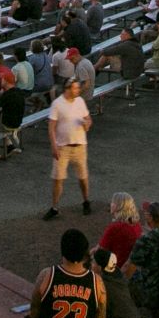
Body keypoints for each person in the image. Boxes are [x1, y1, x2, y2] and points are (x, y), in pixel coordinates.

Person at [44, 77, 93, 219]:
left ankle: (85, 201)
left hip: (80, 146)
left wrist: (87, 124)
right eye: (76, 88)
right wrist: (54, 146)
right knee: (58, 178)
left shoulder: (80, 101)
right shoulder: (57, 104)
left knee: (83, 177)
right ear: (68, 89)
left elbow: (88, 119)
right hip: (63, 147)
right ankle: (54, 207)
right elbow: (51, 127)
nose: (78, 90)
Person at [98, 192, 143, 266]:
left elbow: (100, 250)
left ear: (119, 206)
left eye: (113, 202)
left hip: (115, 266)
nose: (111, 204)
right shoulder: (136, 224)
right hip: (130, 266)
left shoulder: (115, 228)